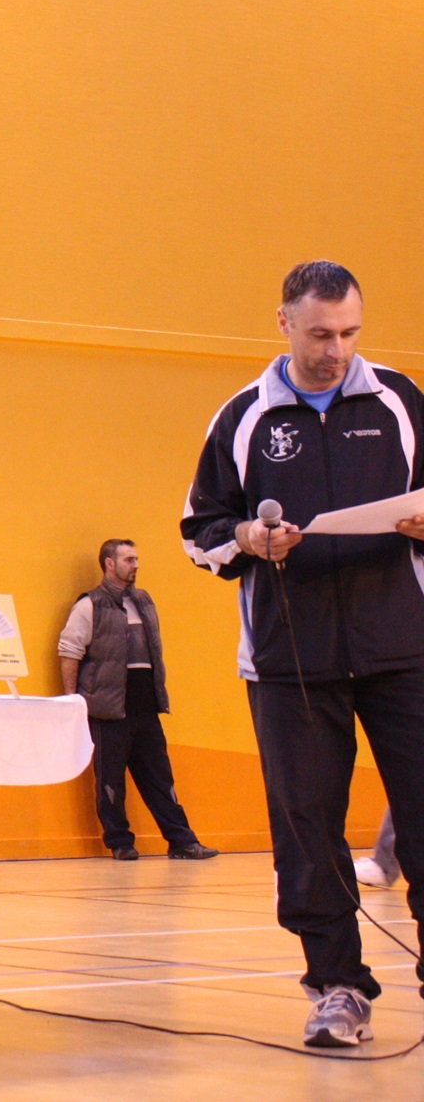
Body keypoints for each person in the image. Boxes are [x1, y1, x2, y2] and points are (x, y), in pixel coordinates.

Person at [181, 260, 424, 1050]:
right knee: (308, 835)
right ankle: (338, 988)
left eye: (350, 332)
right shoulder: (243, 418)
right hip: (290, 662)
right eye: (321, 334)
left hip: (405, 651)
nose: (337, 350)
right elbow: (200, 532)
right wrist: (247, 539)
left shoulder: (401, 403)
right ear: (284, 322)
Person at [56, 539, 217, 861]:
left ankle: (182, 841)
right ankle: (120, 843)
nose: (136, 565)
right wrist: (73, 700)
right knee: (110, 783)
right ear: (109, 563)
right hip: (108, 710)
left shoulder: (144, 601)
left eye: (136, 559)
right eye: (129, 559)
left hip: (145, 708)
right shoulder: (90, 604)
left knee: (160, 779)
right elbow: (69, 650)